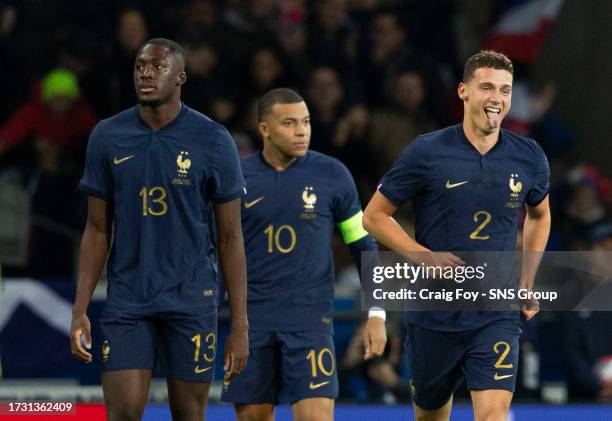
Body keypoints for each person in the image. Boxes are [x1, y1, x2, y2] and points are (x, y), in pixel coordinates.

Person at [363, 50, 551, 421]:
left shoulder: (528, 156)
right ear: (463, 91)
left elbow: (540, 215)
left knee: (493, 415)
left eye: (505, 90)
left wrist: (527, 280)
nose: (497, 98)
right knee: (431, 416)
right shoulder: (427, 151)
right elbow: (374, 217)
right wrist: (424, 256)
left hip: (494, 310)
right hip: (433, 313)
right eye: (487, 88)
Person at [69, 38, 249, 421]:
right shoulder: (106, 136)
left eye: (157, 67)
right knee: (123, 414)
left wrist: (239, 323)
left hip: (191, 300)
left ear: (181, 77)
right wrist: (80, 307)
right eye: (139, 66)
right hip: (127, 301)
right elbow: (97, 229)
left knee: (188, 415)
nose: (146, 73)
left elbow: (231, 237)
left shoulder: (214, 140)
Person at [221, 88, 387, 421]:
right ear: (264, 129)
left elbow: (362, 244)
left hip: (310, 322)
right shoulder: (235, 178)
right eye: (290, 123)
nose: (302, 131)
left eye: (306, 122)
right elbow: (217, 247)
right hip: (252, 323)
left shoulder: (333, 175)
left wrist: (377, 313)